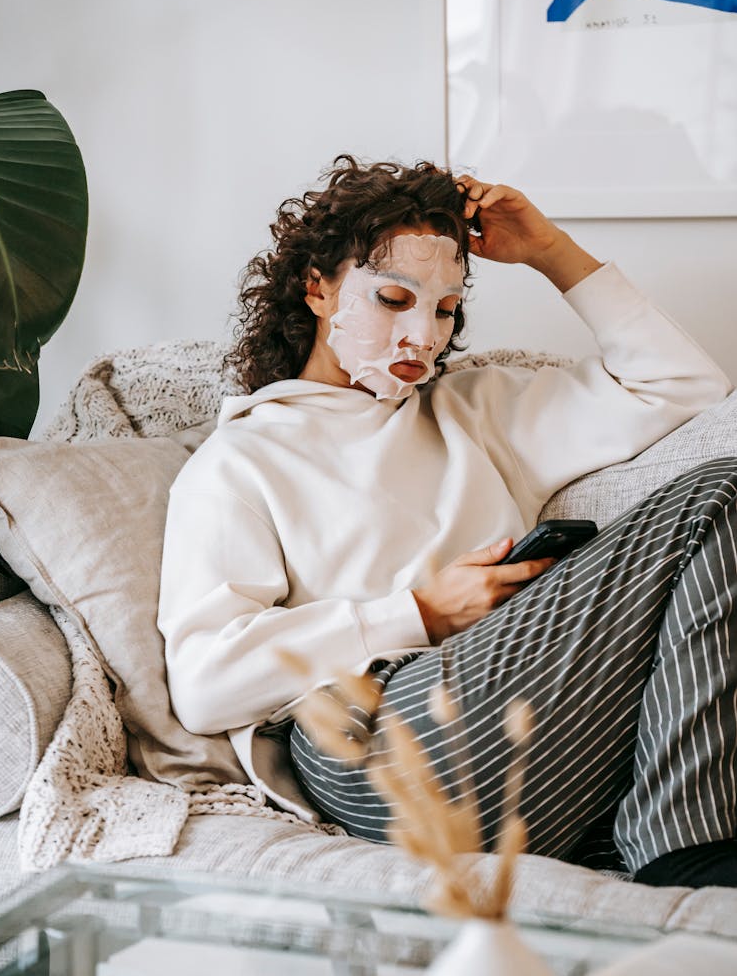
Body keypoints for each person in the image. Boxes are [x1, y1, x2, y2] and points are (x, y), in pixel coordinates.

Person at [158, 156, 737, 888]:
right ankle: (684, 851)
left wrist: (550, 251)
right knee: (717, 493)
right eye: (394, 298)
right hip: (369, 740)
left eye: (444, 309)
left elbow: (685, 384)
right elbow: (204, 682)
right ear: (317, 288)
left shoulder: (474, 411)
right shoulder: (237, 462)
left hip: (513, 710)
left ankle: (671, 842)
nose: (423, 335)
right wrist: (420, 612)